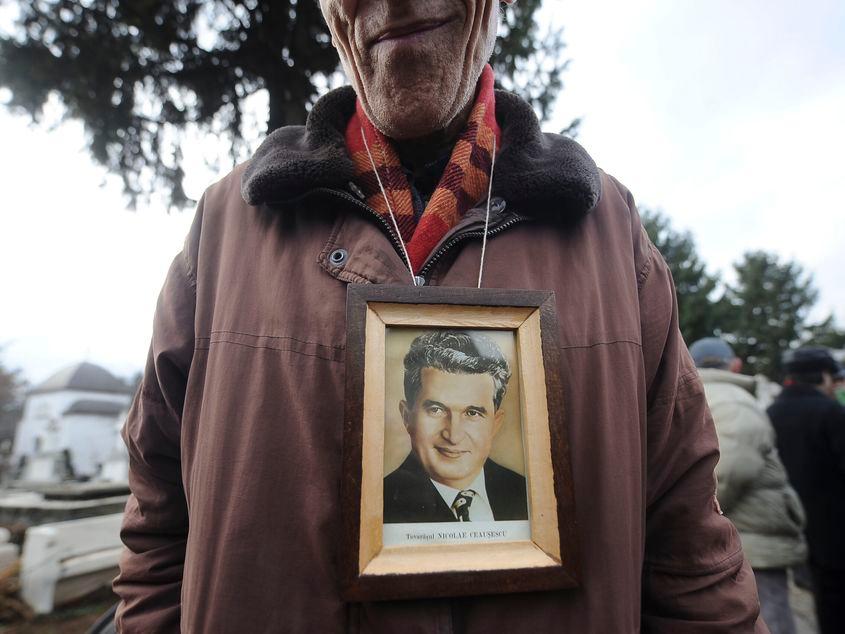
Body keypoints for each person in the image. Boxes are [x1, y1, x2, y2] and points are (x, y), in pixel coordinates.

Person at [113, 0, 765, 630]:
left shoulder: (610, 236)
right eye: (433, 410)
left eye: (474, 411)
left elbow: (691, 561)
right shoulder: (225, 231)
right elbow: (157, 531)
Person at [690, 337, 806, 634]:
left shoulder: (695, 395)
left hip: (737, 542)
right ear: (736, 364)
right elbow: (725, 476)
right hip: (751, 546)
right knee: (769, 620)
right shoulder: (734, 401)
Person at [383, 331, 527, 524]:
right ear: (407, 417)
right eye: (436, 410)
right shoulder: (380, 504)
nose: (453, 435)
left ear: (495, 424)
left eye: (472, 413)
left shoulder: (527, 494)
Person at [767, 347, 845, 634]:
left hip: (791, 521)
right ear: (823, 376)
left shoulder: (772, 412)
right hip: (835, 527)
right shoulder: (831, 412)